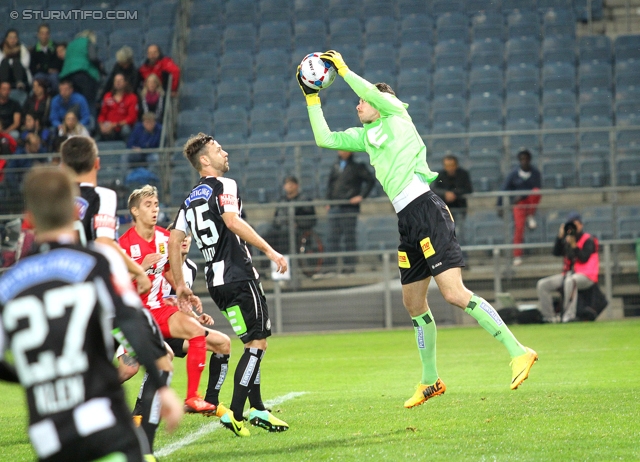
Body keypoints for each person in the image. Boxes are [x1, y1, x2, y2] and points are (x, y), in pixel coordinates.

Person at [299, 50, 538, 408]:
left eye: (363, 101)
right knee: (412, 303)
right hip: (406, 221)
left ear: (382, 102)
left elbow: (376, 95)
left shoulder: (397, 114)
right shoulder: (367, 136)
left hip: (427, 210)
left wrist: (345, 71)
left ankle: (518, 351)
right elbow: (325, 139)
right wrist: (312, 98)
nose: (357, 105)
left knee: (455, 294)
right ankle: (431, 380)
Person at [0, 165, 182, 462]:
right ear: (74, 213)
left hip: (49, 436)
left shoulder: (9, 284)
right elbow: (131, 321)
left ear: (28, 219)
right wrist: (162, 386)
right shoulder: (96, 263)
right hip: (104, 424)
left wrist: (29, 376)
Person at [168, 133, 290, 437]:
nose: (225, 152)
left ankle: (258, 407)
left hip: (216, 282)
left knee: (251, 341)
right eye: (218, 150)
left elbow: (173, 240)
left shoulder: (189, 198)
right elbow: (233, 221)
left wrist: (181, 284)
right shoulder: (224, 185)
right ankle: (236, 413)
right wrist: (270, 251)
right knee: (257, 344)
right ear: (205, 161)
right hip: (238, 275)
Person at [119, 185, 218, 415]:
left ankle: (193, 397)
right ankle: (98, 401)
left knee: (196, 330)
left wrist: (183, 290)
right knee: (127, 370)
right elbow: (114, 284)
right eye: (148, 205)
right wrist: (140, 267)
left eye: (156, 205)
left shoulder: (165, 238)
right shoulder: (123, 244)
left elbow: (167, 272)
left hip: (158, 309)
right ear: (134, 211)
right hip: (131, 313)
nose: (154, 210)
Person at [59, 136, 152, 295]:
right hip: (91, 284)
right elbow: (104, 241)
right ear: (97, 163)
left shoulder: (53, 198)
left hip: (59, 283)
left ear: (63, 166)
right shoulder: (102, 196)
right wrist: (139, 271)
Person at [536, 212, 600, 323]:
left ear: (581, 225)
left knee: (571, 281)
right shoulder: (568, 239)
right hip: (569, 274)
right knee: (542, 284)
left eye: (575, 224)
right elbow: (556, 253)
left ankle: (568, 316)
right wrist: (560, 237)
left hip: (587, 275)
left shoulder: (588, 239)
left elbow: (584, 258)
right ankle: (549, 317)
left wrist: (574, 245)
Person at [325, 150, 375, 273]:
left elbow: (370, 181)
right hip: (335, 206)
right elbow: (330, 184)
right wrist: (328, 200)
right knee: (332, 238)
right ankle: (332, 266)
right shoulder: (335, 165)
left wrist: (361, 196)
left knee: (349, 237)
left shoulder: (357, 166)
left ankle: (349, 266)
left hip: (349, 207)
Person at [497, 149, 542, 266]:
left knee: (536, 192)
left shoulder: (535, 173)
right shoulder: (514, 174)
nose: (524, 161)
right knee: (519, 227)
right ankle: (517, 255)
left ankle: (531, 215)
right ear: (519, 161)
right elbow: (504, 188)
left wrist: (521, 195)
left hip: (530, 202)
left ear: (530, 160)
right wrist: (500, 204)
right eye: (522, 159)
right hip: (519, 205)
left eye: (526, 159)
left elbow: (537, 188)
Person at [264, 175, 317, 254]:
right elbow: (276, 217)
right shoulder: (282, 201)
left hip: (298, 230)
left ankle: (286, 259)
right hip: (280, 227)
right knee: (266, 233)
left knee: (284, 233)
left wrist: (297, 224)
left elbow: (311, 220)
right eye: (287, 184)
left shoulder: (304, 200)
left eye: (291, 184)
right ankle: (268, 262)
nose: (289, 186)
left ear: (297, 186)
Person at [432, 154, 473, 246]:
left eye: (452, 165)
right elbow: (434, 189)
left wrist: (455, 194)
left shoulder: (463, 174)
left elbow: (468, 189)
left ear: (456, 165)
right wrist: (445, 194)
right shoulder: (441, 175)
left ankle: (462, 255)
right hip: (444, 209)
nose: (450, 168)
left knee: (460, 233)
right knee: (445, 233)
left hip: (459, 208)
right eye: (447, 166)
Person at [58, 30, 102, 112]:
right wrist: (99, 66)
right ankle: (90, 123)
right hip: (84, 75)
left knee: (75, 103)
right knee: (89, 103)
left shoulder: (70, 44)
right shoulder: (88, 42)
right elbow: (93, 58)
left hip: (68, 77)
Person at [97, 73, 139, 141]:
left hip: (122, 126)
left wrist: (115, 125)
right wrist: (101, 125)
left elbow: (132, 118)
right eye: (116, 80)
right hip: (109, 126)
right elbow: (102, 114)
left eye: (120, 80)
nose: (118, 82)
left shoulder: (132, 97)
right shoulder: (107, 96)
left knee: (126, 129)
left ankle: (127, 149)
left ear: (125, 82)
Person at [29, 23, 62, 90]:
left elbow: (58, 62)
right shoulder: (34, 51)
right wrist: (47, 69)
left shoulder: (55, 47)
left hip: (54, 74)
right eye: (42, 33)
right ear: (38, 35)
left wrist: (41, 66)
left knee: (54, 78)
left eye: (46, 33)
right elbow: (33, 67)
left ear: (49, 35)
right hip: (41, 74)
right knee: (37, 79)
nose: (44, 36)